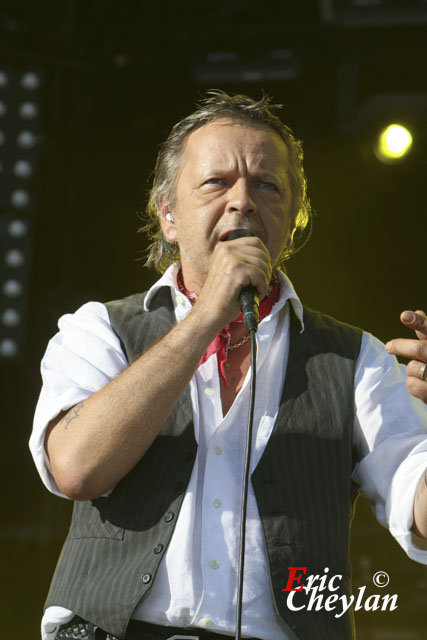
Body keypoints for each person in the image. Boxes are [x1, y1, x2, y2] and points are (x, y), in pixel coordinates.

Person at [30, 91, 427, 640]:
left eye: (267, 186)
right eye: (216, 183)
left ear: (294, 218)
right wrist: (205, 316)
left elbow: (420, 510)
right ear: (168, 215)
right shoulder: (98, 330)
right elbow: (76, 468)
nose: (242, 202)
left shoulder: (357, 359)